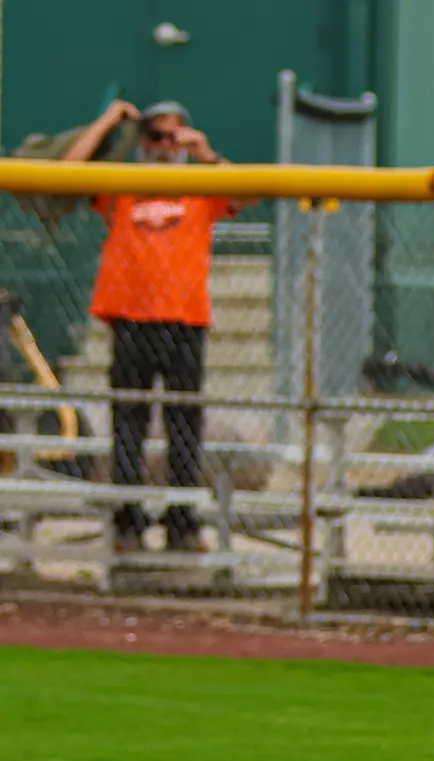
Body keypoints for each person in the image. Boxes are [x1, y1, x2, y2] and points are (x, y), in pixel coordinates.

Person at [66, 100, 237, 552]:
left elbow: (246, 192)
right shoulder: (124, 185)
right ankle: (127, 522)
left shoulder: (201, 184)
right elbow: (69, 172)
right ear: (142, 142)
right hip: (130, 317)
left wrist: (204, 153)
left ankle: (182, 522)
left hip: (183, 319)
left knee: (184, 425)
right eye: (154, 137)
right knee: (128, 424)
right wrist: (106, 121)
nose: (163, 146)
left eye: (171, 137)